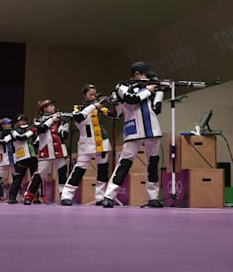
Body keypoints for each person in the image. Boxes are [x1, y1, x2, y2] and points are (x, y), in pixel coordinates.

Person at [101, 61, 165, 208]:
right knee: (124, 164)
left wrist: (159, 93)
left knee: (153, 165)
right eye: (146, 76)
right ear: (137, 74)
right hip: (133, 129)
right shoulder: (122, 86)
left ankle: (153, 197)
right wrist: (148, 90)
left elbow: (157, 109)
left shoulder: (148, 89)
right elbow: (131, 98)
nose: (148, 79)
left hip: (152, 129)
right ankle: (109, 196)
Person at [59, 84, 113, 206]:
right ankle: (66, 195)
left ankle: (100, 197)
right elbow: (79, 117)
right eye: (90, 95)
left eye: (94, 95)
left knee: (103, 171)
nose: (93, 97)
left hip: (102, 142)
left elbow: (115, 116)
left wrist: (116, 103)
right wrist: (95, 105)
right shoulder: (77, 108)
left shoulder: (100, 108)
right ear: (84, 95)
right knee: (79, 170)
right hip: (86, 143)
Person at [22, 100, 69, 205]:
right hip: (46, 150)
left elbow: (63, 135)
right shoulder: (38, 120)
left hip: (59, 150)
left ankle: (65, 196)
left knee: (62, 174)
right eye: (50, 106)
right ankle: (29, 196)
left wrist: (65, 124)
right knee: (40, 174)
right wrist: (52, 119)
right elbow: (41, 129)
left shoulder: (58, 120)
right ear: (44, 109)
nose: (53, 108)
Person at [7, 114, 38, 204]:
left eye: (24, 120)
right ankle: (12, 198)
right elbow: (21, 137)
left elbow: (36, 140)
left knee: (35, 178)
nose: (23, 122)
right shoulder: (13, 131)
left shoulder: (31, 129)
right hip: (21, 157)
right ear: (17, 122)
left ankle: (35, 197)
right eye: (21, 120)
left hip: (32, 156)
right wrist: (32, 131)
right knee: (18, 179)